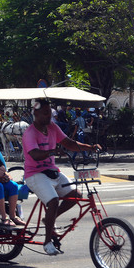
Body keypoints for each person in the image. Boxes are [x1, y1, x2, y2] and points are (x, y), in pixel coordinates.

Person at [22, 100, 100, 255]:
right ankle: (47, 242)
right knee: (53, 200)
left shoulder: (52, 127)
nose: (49, 116)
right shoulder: (29, 133)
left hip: (52, 171)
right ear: (35, 114)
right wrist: (52, 152)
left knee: (76, 195)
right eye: (45, 113)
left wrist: (89, 148)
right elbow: (35, 155)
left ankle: (49, 219)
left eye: (50, 112)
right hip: (35, 174)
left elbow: (68, 143)